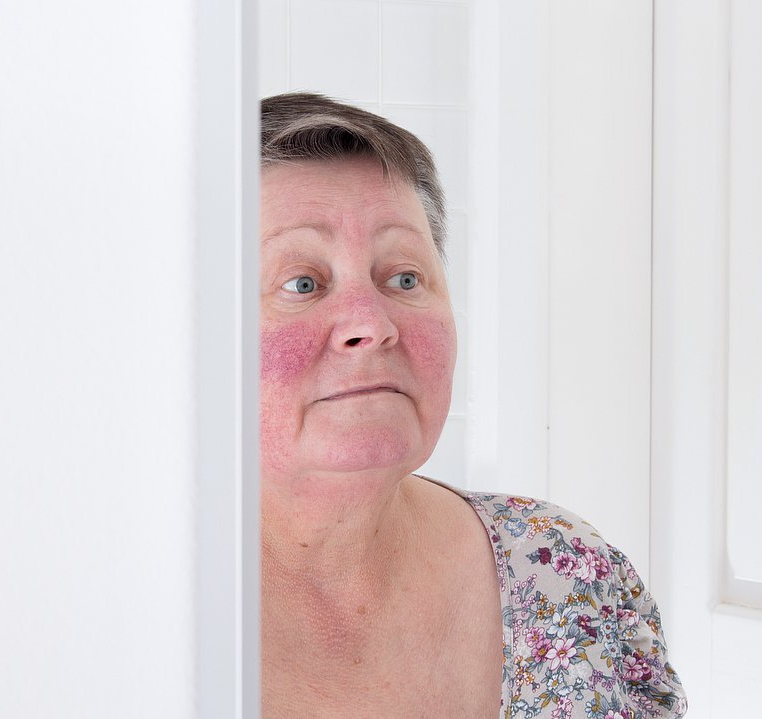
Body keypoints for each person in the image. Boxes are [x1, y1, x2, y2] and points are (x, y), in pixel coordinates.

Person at [259, 92, 687, 719]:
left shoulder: (565, 574)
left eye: (404, 277)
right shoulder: (104, 620)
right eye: (302, 283)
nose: (371, 324)